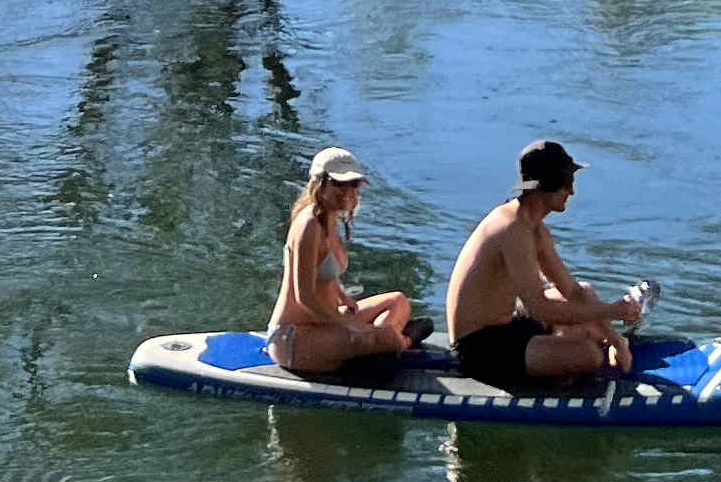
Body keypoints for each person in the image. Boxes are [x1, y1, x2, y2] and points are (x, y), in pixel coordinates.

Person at [443, 138, 643, 390]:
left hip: (508, 325)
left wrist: (616, 341)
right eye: (566, 183)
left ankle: (563, 348)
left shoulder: (534, 229)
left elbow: (572, 291)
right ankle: (556, 367)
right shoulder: (511, 229)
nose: (572, 192)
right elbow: (540, 309)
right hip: (479, 347)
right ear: (544, 187)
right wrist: (611, 312)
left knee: (585, 293)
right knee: (589, 355)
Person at [265, 146, 417, 376]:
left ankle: (378, 346)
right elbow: (304, 296)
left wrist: (343, 298)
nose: (348, 191)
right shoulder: (309, 225)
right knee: (385, 335)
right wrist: (349, 325)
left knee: (398, 301)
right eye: (338, 183)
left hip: (327, 322)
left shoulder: (329, 217)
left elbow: (325, 272)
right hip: (294, 337)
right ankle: (396, 343)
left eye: (354, 184)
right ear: (319, 183)